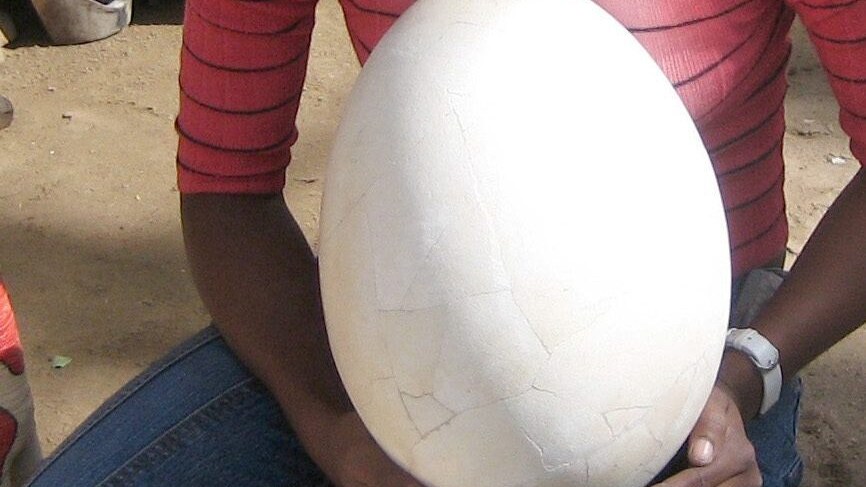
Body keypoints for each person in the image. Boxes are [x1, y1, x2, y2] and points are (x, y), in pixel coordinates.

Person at [24, 0, 866, 486]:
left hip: (708, 351)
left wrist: (748, 369)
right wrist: (332, 422)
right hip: (393, 329)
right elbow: (225, 181)